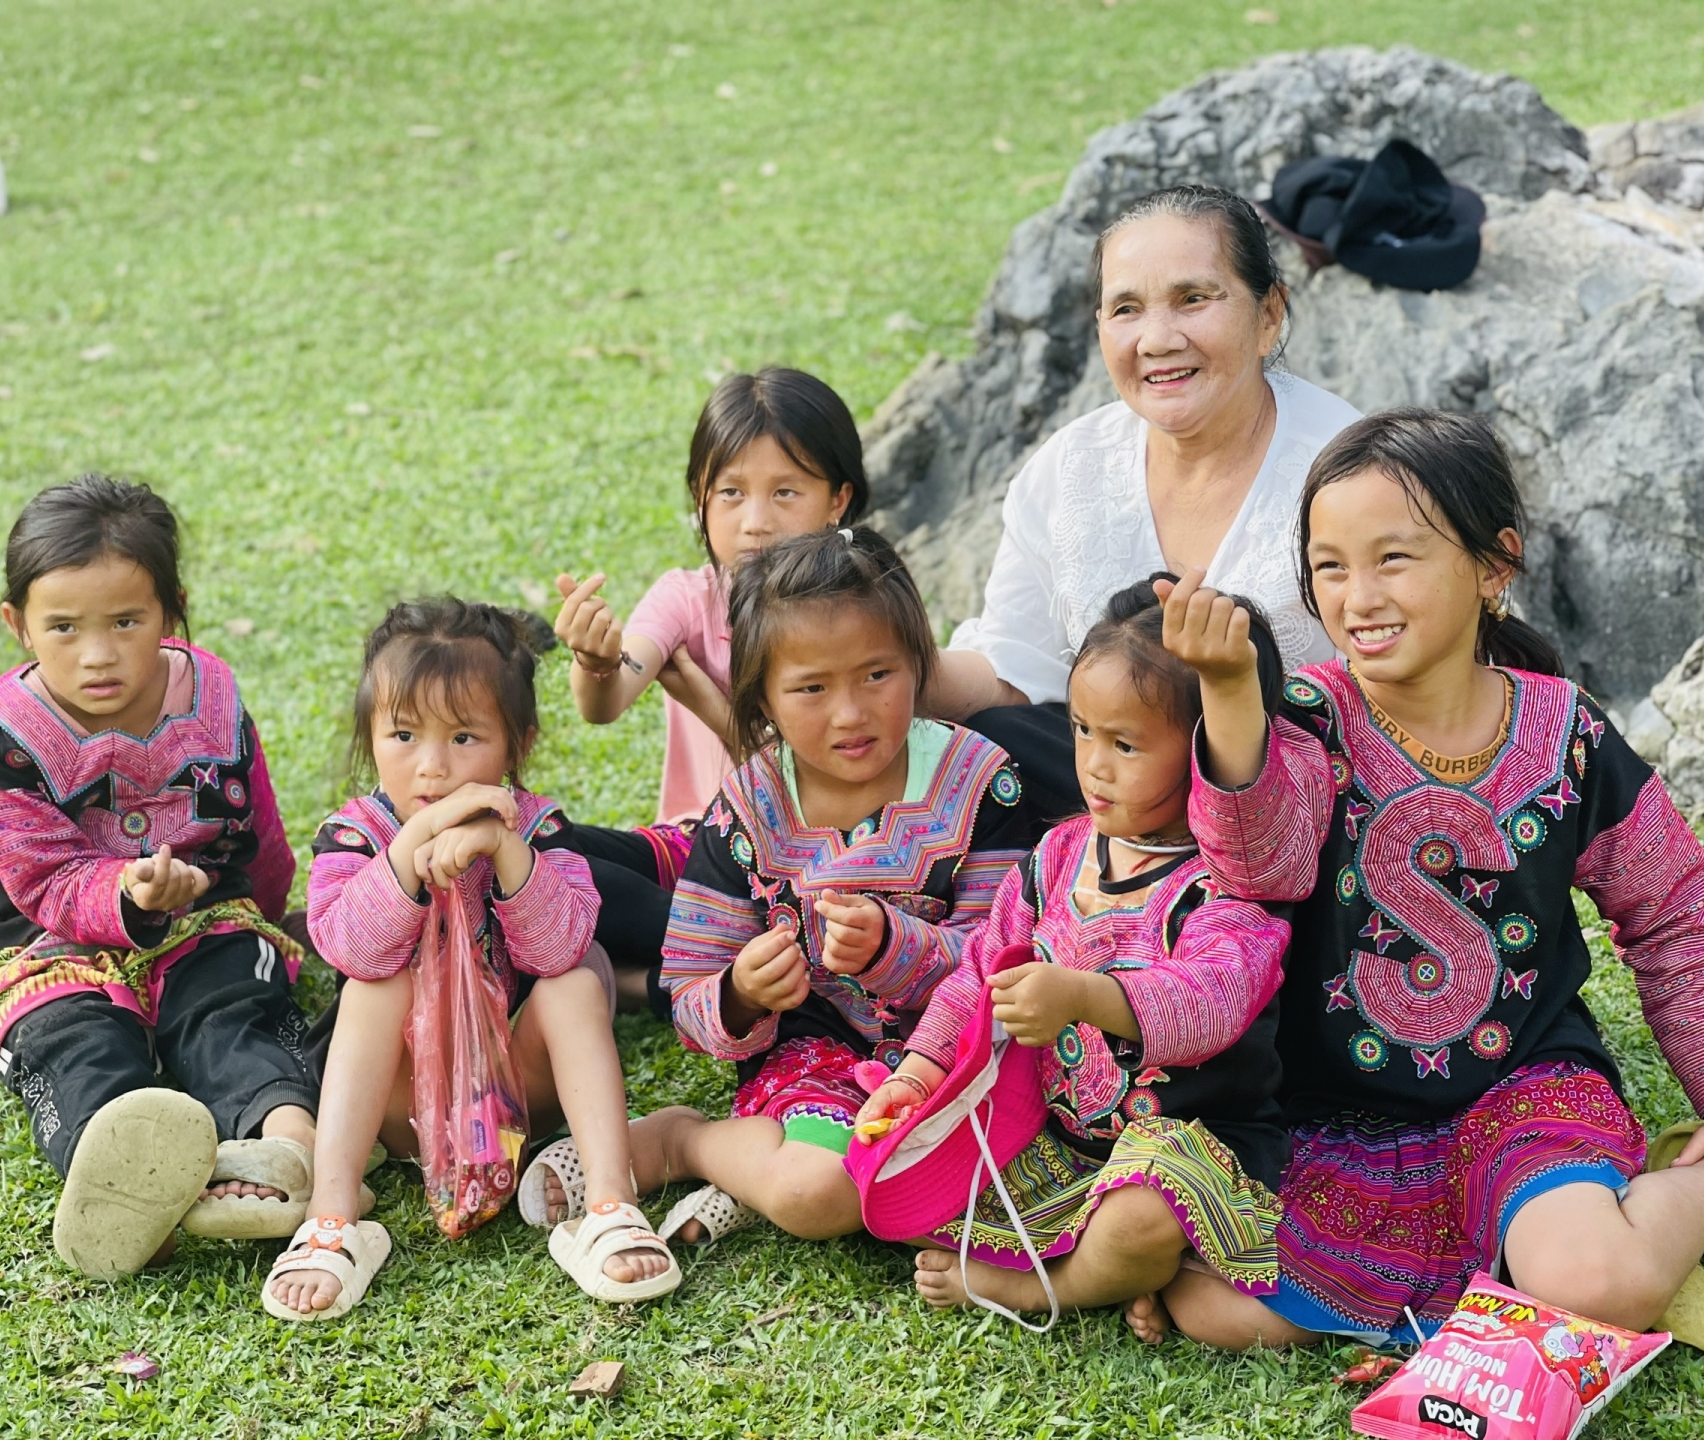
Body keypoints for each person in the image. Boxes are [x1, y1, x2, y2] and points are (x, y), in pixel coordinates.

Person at [1159, 408, 1704, 1350]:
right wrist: (1231, 694)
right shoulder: (1304, 722)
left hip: (1524, 1093)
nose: (1358, 596)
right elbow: (1257, 868)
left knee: (1595, 1283)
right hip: (1334, 1119)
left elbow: (1676, 922)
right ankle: (1550, 1251)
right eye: (1330, 566)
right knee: (1212, 1309)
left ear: (1495, 566)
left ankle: (1698, 1181)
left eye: (1394, 559)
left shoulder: (1567, 734)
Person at [857, 578, 1292, 1336]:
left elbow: (1213, 1000)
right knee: (906, 1172)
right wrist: (918, 1072)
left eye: (1126, 744)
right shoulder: (1059, 854)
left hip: (1190, 1152)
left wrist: (1086, 996)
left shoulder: (1231, 887)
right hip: (1059, 1146)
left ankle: (1046, 1286)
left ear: (1205, 750)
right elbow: (979, 979)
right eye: (1085, 731)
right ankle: (1123, 1278)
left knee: (1143, 1222)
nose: (1094, 764)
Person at [262, 598, 697, 1320]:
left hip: (516, 1106)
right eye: (403, 735)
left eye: (464, 737)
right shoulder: (356, 835)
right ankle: (333, 1222)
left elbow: (559, 944)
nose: (431, 767)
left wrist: (507, 851)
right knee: (376, 984)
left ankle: (609, 1205)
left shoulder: (540, 828)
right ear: (371, 739)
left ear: (516, 744)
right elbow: (346, 946)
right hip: (400, 1107)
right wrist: (412, 845)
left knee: (575, 977)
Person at [0, 475, 320, 1278]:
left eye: (127, 621)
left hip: (203, 914)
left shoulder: (212, 695)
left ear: (171, 610)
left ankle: (292, 1151)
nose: (98, 654)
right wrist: (127, 894)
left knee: (235, 1008)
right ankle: (122, 1178)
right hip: (44, 938)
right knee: (71, 1037)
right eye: (64, 627)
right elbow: (42, 876)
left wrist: (272, 916)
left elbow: (255, 823)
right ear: (18, 625)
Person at [654, 528, 1040, 1245]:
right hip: (818, 1062)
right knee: (816, 1193)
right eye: (811, 688)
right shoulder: (748, 808)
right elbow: (686, 982)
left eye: (876, 675)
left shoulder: (982, 781)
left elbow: (1008, 954)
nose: (851, 712)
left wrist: (896, 946)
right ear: (762, 697)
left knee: (1001, 1185)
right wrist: (742, 990)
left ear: (918, 664)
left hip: (956, 1061)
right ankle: (684, 1143)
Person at [931, 184, 1360, 822]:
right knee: (989, 746)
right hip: (1120, 801)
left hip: (1305, 806)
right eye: (1126, 309)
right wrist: (879, 667)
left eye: (1193, 299)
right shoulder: (1070, 467)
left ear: (1269, 315)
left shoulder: (1349, 472)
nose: (1157, 340)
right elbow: (1013, 674)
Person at [551, 368, 870, 1011]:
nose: (755, 522)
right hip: (698, 843)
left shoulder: (861, 608)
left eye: (785, 492)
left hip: (815, 863)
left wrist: (710, 705)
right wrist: (596, 660)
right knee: (539, 846)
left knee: (788, 936)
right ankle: (674, 970)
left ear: (837, 499)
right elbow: (608, 699)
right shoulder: (688, 597)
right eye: (730, 493)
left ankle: (663, 976)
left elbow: (824, 784)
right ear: (700, 496)